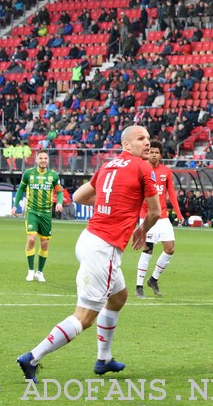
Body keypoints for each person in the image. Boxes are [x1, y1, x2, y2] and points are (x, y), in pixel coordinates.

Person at [17, 126, 160, 382]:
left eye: (148, 138)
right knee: (84, 317)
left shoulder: (107, 165)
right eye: (141, 139)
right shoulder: (143, 167)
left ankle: (103, 359)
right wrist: (142, 230)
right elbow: (155, 212)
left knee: (118, 297)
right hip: (104, 247)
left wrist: (111, 202)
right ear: (126, 145)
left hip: (87, 239)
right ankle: (32, 358)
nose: (147, 143)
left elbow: (80, 196)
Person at [135, 141, 185, 299]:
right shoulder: (142, 169)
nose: (154, 155)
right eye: (151, 152)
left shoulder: (166, 172)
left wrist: (178, 213)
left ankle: (153, 279)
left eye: (156, 152)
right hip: (147, 216)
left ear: (161, 155)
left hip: (162, 217)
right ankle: (139, 286)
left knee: (170, 249)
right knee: (147, 250)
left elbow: (171, 193)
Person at [11, 150, 64, 282]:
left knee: (44, 243)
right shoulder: (28, 174)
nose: (43, 160)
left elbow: (59, 192)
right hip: (32, 211)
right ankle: (30, 271)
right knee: (31, 240)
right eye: (40, 158)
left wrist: (60, 202)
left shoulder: (54, 175)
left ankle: (39, 272)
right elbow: (20, 190)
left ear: (48, 160)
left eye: (45, 158)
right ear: (36, 160)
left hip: (46, 213)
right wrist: (15, 205)